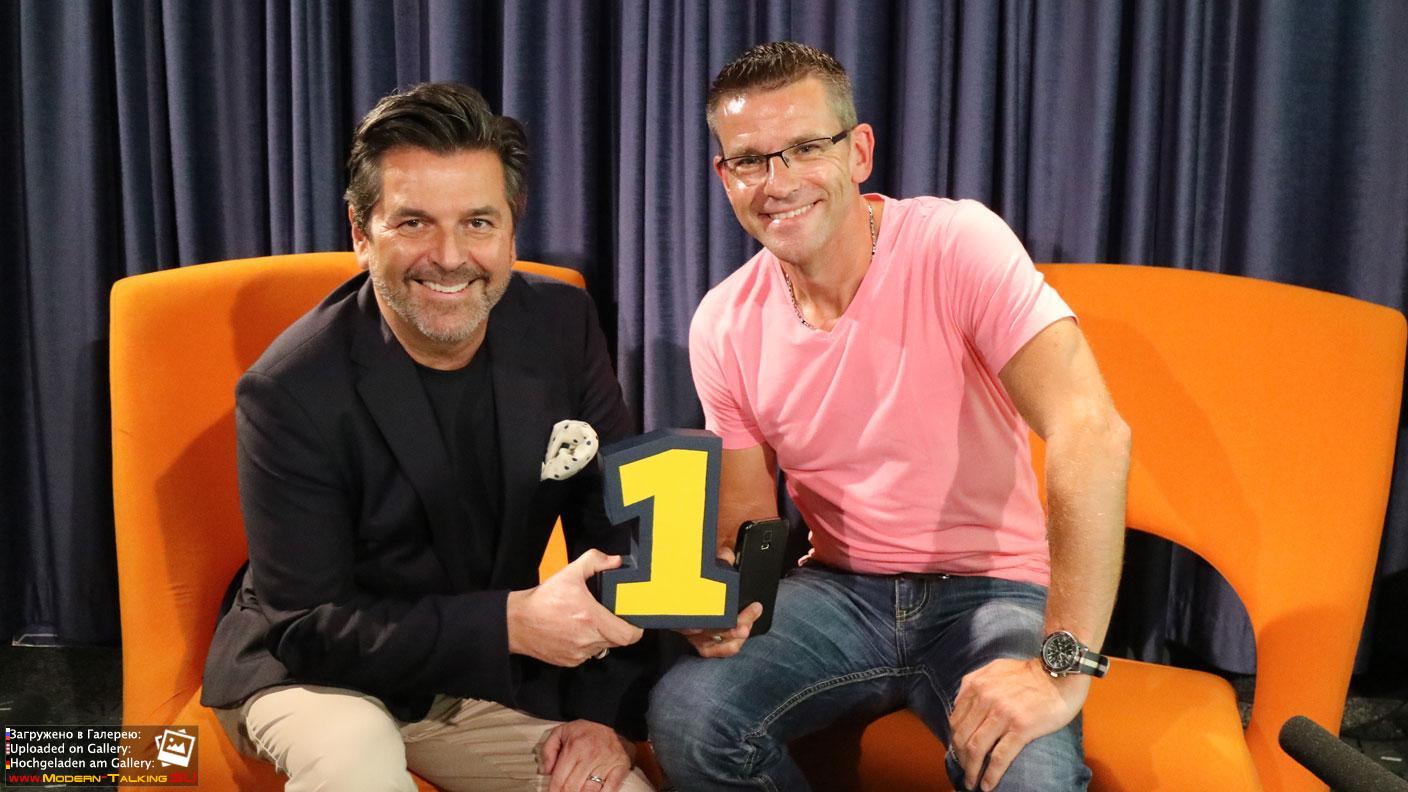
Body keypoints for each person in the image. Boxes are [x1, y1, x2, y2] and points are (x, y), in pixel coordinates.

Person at [647, 42, 1131, 792]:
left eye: (806, 147)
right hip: (840, 592)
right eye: (750, 160)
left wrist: (1061, 667)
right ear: (725, 176)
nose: (778, 182)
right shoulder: (723, 320)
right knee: (688, 717)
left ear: (859, 152)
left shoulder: (955, 243)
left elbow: (1091, 432)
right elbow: (748, 528)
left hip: (994, 589)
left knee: (1031, 775)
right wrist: (717, 594)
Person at [201, 82, 656, 792]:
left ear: (511, 233)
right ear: (361, 233)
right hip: (314, 673)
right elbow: (309, 624)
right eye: (413, 222)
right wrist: (508, 624)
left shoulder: (562, 326)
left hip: (469, 675)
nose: (449, 256)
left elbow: (618, 534)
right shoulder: (288, 388)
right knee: (357, 755)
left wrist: (604, 716)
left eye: (478, 223)